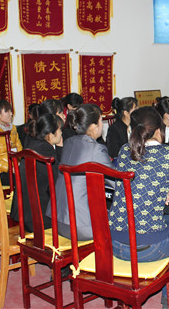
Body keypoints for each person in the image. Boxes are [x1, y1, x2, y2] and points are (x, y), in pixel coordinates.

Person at [109, 106, 169, 309]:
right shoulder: (168, 154)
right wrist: (167, 192)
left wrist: (160, 190)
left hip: (115, 243)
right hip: (149, 249)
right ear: (158, 129)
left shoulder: (123, 151)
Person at [53, 103, 112, 240]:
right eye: (101, 121)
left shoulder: (69, 142)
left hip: (60, 221)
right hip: (82, 226)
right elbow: (117, 181)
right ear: (93, 126)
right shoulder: (96, 149)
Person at [10, 113, 63, 232]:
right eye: (59, 130)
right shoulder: (45, 151)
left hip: (25, 215)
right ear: (50, 135)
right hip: (41, 218)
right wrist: (60, 148)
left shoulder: (32, 144)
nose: (61, 133)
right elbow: (59, 182)